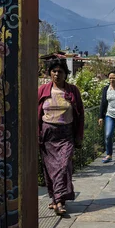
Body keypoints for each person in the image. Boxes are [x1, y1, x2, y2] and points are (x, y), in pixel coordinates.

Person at [38, 58, 84, 216]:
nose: (57, 74)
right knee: (50, 169)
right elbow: (36, 112)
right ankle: (57, 200)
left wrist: (79, 135)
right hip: (47, 135)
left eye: (60, 71)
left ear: (66, 74)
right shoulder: (43, 90)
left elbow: (80, 114)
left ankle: (58, 201)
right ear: (50, 73)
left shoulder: (72, 91)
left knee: (63, 167)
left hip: (66, 134)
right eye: (54, 71)